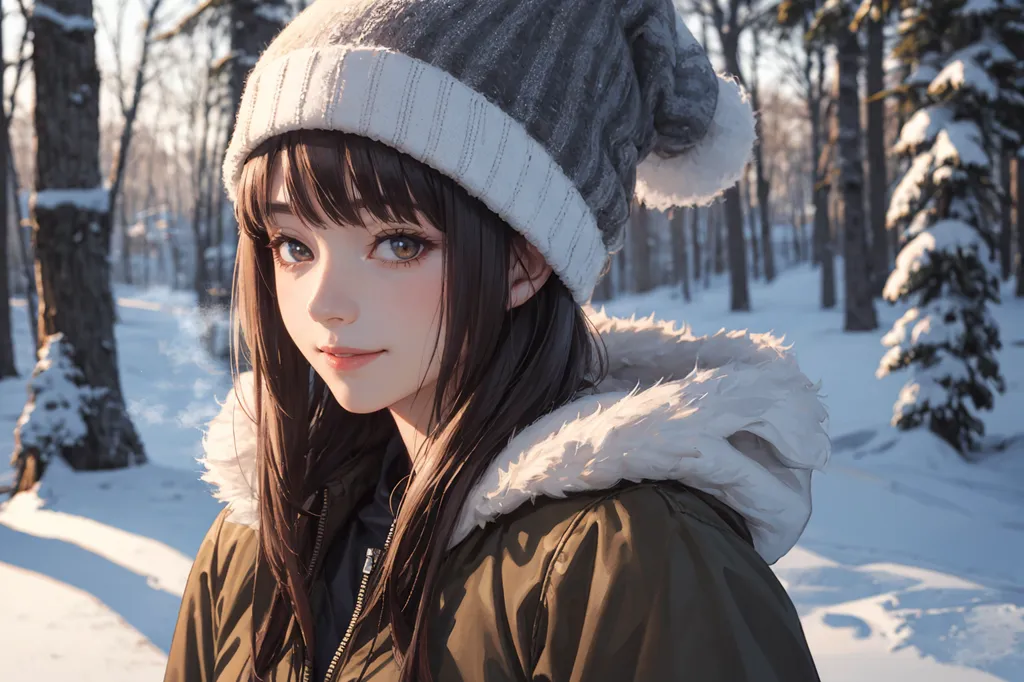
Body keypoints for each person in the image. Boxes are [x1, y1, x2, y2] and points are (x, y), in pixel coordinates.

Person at [164, 0, 830, 680]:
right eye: (292, 245)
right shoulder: (255, 545)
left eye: (398, 243)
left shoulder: (630, 565)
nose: (324, 303)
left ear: (524, 261)